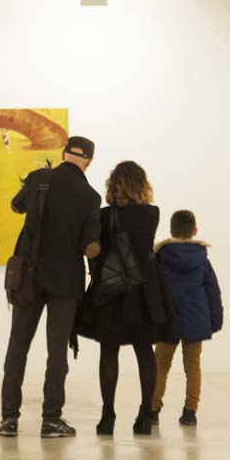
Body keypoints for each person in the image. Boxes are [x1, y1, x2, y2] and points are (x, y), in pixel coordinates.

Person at [0, 136, 102, 439]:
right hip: (65, 282)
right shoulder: (90, 196)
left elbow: (16, 206)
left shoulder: (39, 178)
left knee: (18, 345)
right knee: (56, 352)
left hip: (29, 277)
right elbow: (90, 247)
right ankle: (51, 420)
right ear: (89, 161)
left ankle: (9, 419)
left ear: (62, 153)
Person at [84, 161, 168, 437]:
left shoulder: (106, 215)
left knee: (109, 351)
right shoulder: (152, 214)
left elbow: (97, 250)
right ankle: (145, 415)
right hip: (143, 291)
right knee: (145, 351)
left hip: (113, 289)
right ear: (142, 185)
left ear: (114, 185)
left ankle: (107, 415)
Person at [152, 209, 224, 427]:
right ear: (195, 230)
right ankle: (190, 412)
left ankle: (153, 410)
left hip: (168, 319)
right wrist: (215, 321)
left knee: (160, 364)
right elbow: (213, 292)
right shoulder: (202, 260)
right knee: (192, 366)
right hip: (195, 320)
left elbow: (153, 290)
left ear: (171, 230)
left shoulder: (160, 258)